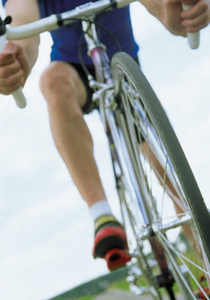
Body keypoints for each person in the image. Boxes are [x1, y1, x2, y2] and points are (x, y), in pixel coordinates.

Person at [0, 0, 209, 270]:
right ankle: (102, 216)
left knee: (161, 164)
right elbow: (21, 26)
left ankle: (203, 248)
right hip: (73, 68)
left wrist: (175, 15)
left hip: (123, 62)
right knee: (52, 83)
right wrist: (17, 61)